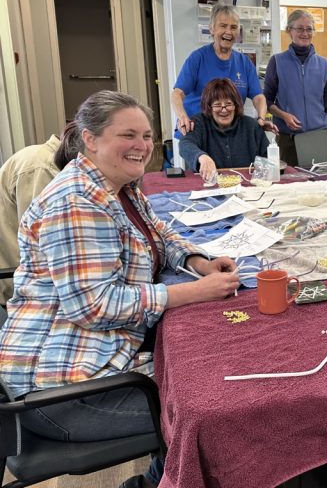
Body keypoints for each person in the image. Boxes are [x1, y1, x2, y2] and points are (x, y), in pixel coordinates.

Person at [0, 91, 241, 488]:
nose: (142, 146)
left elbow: (158, 235)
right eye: (128, 135)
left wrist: (197, 262)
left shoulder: (117, 185)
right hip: (63, 392)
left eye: (146, 136)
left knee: (208, 364)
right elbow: (94, 306)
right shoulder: (76, 202)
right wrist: (195, 292)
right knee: (215, 414)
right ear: (89, 138)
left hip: (97, 359)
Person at [264, 9, 327, 166]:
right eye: (300, 28)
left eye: (309, 29)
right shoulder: (277, 62)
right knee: (289, 186)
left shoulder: (323, 64)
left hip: (318, 137)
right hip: (288, 139)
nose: (305, 33)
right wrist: (284, 116)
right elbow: (267, 101)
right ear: (290, 31)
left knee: (317, 183)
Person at [0, 126, 80, 305]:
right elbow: (44, 242)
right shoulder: (42, 167)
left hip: (34, 275)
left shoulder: (48, 160)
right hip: (23, 283)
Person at [172, 3, 272, 136]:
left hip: (230, 136)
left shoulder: (244, 62)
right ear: (212, 29)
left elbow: (258, 97)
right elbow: (177, 94)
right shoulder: (197, 58)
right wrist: (183, 117)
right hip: (198, 133)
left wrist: (261, 118)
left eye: (234, 27)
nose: (229, 32)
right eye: (223, 26)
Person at [179, 77, 269, 181]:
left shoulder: (252, 126)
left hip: (247, 186)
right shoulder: (199, 123)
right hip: (209, 185)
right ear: (209, 107)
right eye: (217, 105)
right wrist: (202, 157)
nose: (224, 110)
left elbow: (268, 158)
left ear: (236, 105)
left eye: (228, 104)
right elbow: (184, 144)